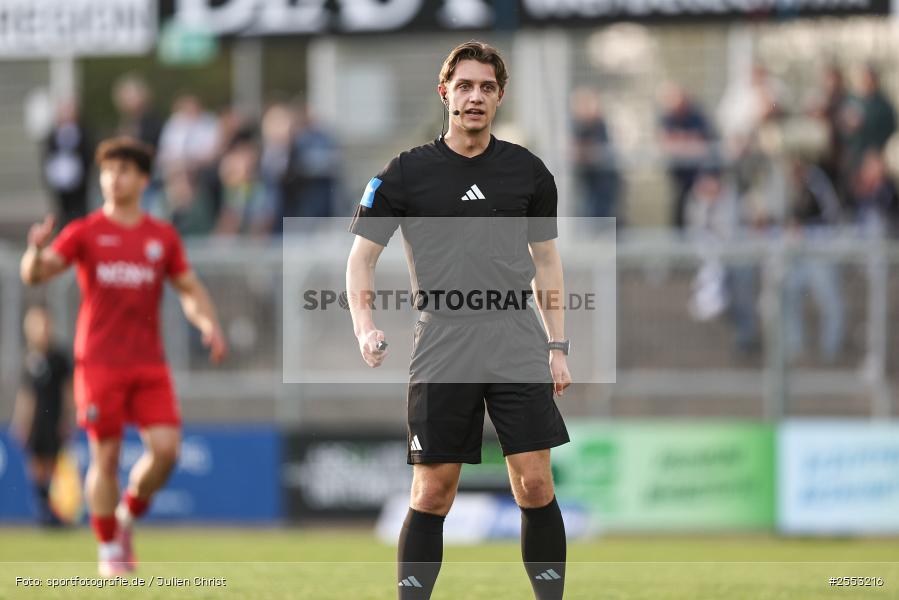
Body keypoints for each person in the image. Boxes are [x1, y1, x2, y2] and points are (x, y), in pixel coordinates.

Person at [345, 41, 571, 600]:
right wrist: (364, 326)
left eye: (487, 88)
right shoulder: (405, 173)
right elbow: (361, 257)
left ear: (499, 97)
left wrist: (558, 345)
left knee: (535, 483)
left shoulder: (528, 172)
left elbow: (547, 262)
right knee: (431, 492)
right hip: (443, 339)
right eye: (465, 86)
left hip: (516, 336)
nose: (475, 97)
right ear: (445, 92)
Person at [19, 137, 228, 576]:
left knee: (167, 451)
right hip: (98, 364)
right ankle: (109, 547)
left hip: (148, 364)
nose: (115, 178)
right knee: (106, 457)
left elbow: (188, 289)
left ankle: (127, 514)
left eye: (124, 170)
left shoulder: (161, 237)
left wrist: (206, 323)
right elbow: (36, 273)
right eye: (108, 170)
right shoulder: (85, 231)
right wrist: (36, 250)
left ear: (143, 179)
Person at [9, 306, 73, 527]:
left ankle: (52, 510)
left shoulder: (59, 358)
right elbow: (26, 396)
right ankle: (43, 510)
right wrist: (21, 422)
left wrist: (67, 419)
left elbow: (67, 391)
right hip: (36, 422)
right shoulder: (29, 360)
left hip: (54, 419)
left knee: (52, 464)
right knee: (36, 465)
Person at [41, 99, 93, 228]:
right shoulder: (53, 134)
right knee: (62, 212)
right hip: (60, 183)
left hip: (79, 183)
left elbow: (88, 154)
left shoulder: (83, 132)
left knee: (79, 211)